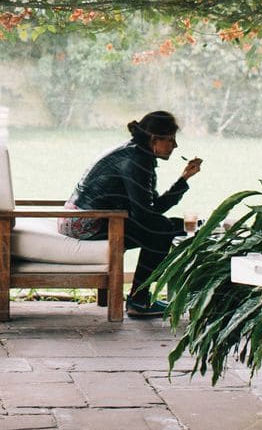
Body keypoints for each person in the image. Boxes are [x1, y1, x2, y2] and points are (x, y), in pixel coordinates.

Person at [59, 110, 202, 320]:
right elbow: (146, 215)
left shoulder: (139, 155)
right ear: (154, 139)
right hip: (86, 223)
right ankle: (138, 300)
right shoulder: (137, 160)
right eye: (170, 139)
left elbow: (150, 209)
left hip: (96, 218)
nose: (175, 145)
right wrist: (178, 226)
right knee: (160, 231)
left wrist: (184, 179)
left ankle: (140, 298)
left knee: (165, 227)